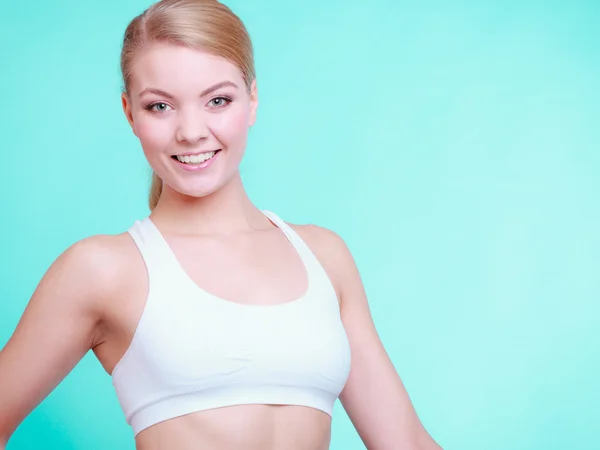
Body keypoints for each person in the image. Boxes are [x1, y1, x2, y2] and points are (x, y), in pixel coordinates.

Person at [0, 0, 442, 449]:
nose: (191, 131)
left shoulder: (325, 257)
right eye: (159, 106)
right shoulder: (102, 269)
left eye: (218, 100)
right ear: (129, 113)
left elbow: (404, 441)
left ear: (252, 100)